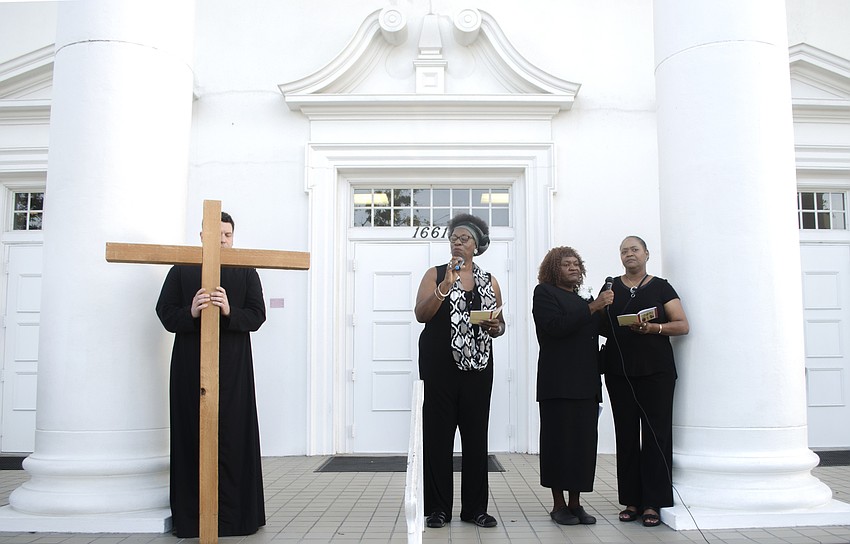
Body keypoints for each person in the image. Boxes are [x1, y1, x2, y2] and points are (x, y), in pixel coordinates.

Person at [156, 211, 267, 538]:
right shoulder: (181, 268)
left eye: (227, 235)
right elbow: (165, 311)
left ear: (233, 237)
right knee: (192, 433)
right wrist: (191, 312)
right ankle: (192, 519)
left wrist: (230, 310)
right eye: (215, 233)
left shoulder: (245, 268)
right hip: (190, 364)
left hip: (233, 366)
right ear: (202, 235)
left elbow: (258, 315)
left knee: (234, 435)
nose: (221, 240)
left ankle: (237, 519)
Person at [414, 213, 505, 529]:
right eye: (453, 237)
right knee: (438, 437)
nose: (456, 241)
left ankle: (475, 509)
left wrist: (496, 326)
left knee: (476, 438)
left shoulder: (489, 280)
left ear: (477, 245)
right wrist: (444, 287)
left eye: (464, 238)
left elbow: (499, 324)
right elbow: (421, 315)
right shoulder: (436, 274)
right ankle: (438, 509)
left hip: (478, 368)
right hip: (439, 367)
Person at [600, 235, 689, 528]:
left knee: (655, 436)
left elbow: (682, 325)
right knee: (626, 437)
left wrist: (654, 328)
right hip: (620, 373)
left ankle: (654, 502)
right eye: (624, 250)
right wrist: (599, 304)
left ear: (647, 254)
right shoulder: (610, 286)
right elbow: (598, 324)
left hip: (657, 373)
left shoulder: (661, 286)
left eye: (634, 249)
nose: (629, 254)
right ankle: (632, 501)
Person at [533, 246, 613, 525]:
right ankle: (558, 505)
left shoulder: (585, 295)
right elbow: (556, 327)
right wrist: (593, 307)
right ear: (555, 269)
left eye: (577, 264)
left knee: (583, 444)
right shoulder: (544, 293)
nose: (574, 268)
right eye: (567, 264)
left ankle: (576, 503)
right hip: (558, 383)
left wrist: (611, 309)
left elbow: (597, 328)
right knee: (559, 444)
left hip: (587, 382)